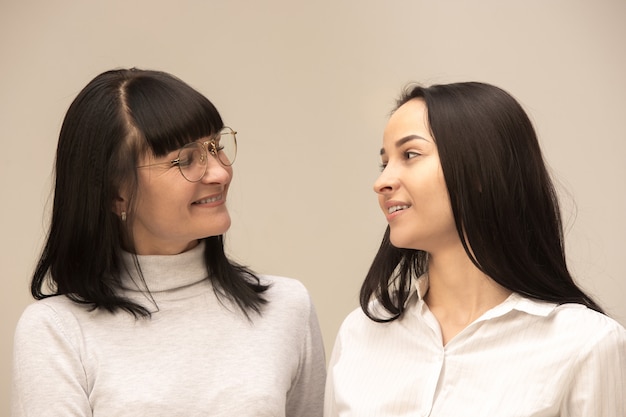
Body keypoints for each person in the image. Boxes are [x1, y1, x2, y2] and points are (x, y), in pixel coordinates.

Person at [12, 68, 326, 417]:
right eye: (186, 160)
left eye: (216, 147)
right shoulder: (56, 331)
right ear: (116, 195)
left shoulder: (286, 307)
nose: (220, 173)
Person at [324, 82, 626, 416]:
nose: (381, 182)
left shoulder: (586, 344)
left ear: (480, 170)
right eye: (385, 163)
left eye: (410, 155)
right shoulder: (360, 331)